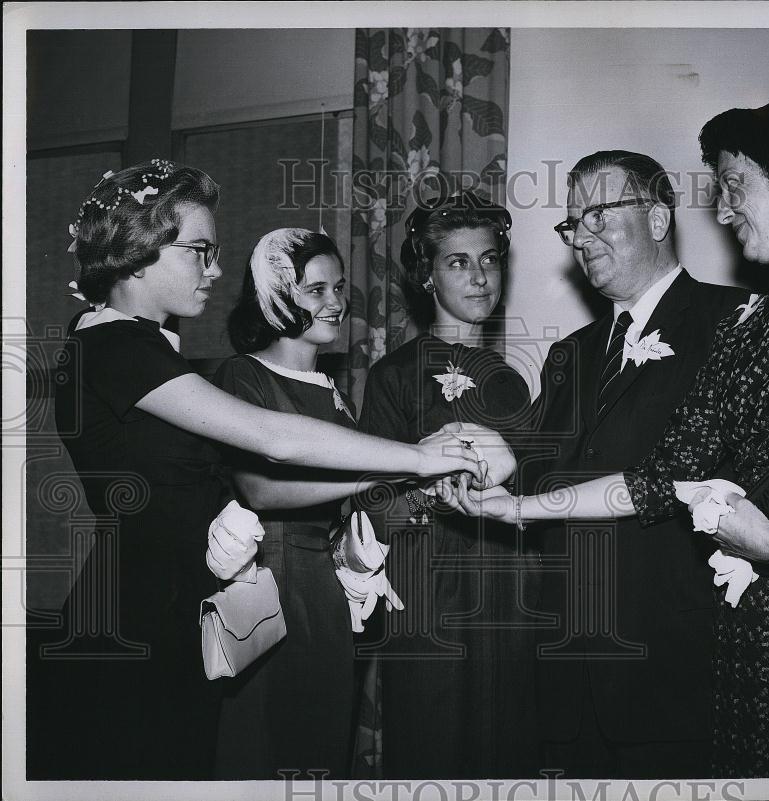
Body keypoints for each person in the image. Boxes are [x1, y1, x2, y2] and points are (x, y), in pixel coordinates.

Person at [443, 95, 769, 777]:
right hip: (744, 653)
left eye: (734, 186)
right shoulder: (752, 325)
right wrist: (512, 506)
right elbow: (661, 478)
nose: (721, 211)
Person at [26, 161, 485, 781]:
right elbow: (272, 438)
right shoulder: (113, 349)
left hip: (175, 609)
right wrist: (419, 457)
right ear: (137, 252)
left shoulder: (136, 349)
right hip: (137, 618)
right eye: (199, 251)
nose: (215, 270)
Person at [517, 150, 748, 779]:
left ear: (656, 218)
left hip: (676, 664)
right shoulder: (569, 354)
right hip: (569, 669)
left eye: (597, 214)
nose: (581, 238)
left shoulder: (738, 322)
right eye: (572, 225)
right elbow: (539, 475)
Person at [357, 191, 540, 778]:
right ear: (427, 277)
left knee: (509, 745)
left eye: (490, 259)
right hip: (428, 589)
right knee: (432, 748)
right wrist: (432, 495)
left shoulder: (513, 382)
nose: (481, 277)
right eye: (458, 262)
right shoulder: (394, 376)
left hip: (510, 590)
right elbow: (369, 505)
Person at [210, 228, 381, 778]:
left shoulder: (329, 385)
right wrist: (371, 480)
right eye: (315, 291)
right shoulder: (243, 376)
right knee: (266, 743)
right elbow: (260, 491)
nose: (335, 302)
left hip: (326, 586)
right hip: (273, 579)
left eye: (339, 287)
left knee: (321, 742)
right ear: (276, 296)